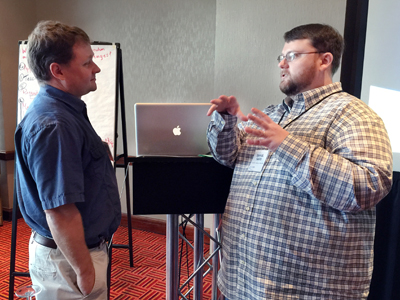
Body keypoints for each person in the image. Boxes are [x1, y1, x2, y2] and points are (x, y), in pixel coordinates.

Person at [207, 23, 392, 299]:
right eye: (280, 57)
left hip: (302, 289)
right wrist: (227, 122)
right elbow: (229, 156)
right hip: (243, 278)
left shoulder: (354, 114)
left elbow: (368, 186)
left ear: (324, 60)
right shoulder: (273, 114)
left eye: (292, 56)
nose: (282, 63)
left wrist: (286, 145)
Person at [14, 21, 121, 299]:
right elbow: (60, 211)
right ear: (57, 71)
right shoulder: (55, 124)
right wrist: (85, 271)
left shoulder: (65, 113)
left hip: (72, 257)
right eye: (87, 63)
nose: (96, 69)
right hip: (69, 263)